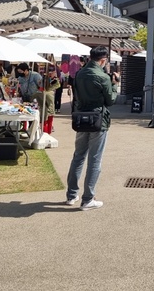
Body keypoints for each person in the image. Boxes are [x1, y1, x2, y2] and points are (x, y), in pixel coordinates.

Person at [65, 46, 118, 210]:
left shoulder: (79, 73)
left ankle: (71, 195)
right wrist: (115, 84)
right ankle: (88, 199)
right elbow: (110, 100)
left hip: (81, 118)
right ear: (103, 60)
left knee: (78, 156)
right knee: (94, 159)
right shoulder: (103, 76)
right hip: (98, 120)